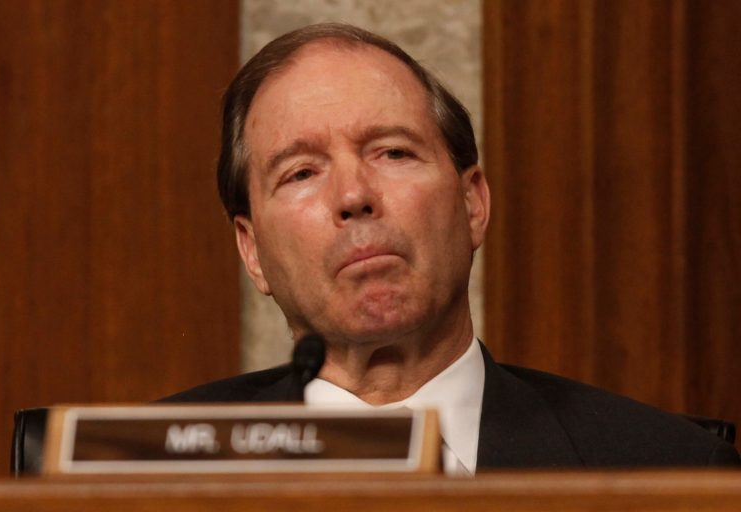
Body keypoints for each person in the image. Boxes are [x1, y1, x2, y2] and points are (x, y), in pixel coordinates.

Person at [163, 23, 740, 473]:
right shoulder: (145, 470)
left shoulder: (667, 469)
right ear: (252, 250)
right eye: (301, 173)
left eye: (392, 152)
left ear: (472, 204)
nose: (354, 195)